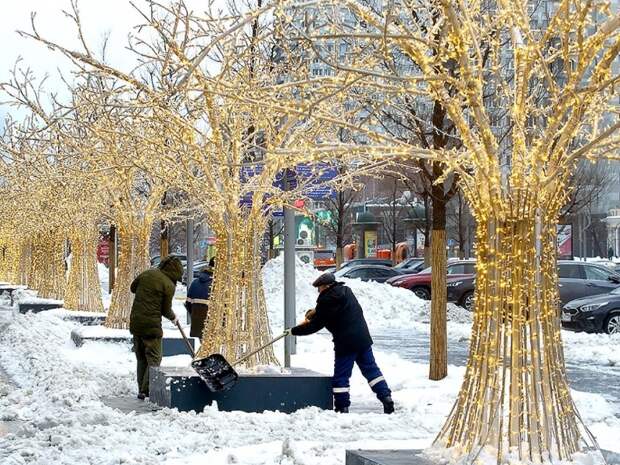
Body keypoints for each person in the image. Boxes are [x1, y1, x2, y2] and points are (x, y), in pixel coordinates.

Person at [288, 272, 394, 414]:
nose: (318, 291)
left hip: (345, 343)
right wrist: (316, 312)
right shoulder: (346, 291)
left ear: (325, 286)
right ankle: (386, 398)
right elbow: (337, 311)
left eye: (319, 288)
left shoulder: (326, 301)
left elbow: (315, 326)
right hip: (363, 339)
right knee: (372, 371)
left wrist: (293, 331)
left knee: (342, 376)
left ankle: (342, 407)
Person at [129, 255, 183, 400]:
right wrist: (173, 317)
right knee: (154, 359)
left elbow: (133, 288)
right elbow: (166, 310)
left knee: (141, 358)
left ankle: (141, 388)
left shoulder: (147, 273)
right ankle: (145, 391)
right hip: (151, 327)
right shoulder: (168, 285)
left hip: (136, 322)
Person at [185, 257, 214, 340]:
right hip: (213, 325)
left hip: (197, 322)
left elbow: (188, 303)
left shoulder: (195, 282)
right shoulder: (218, 284)